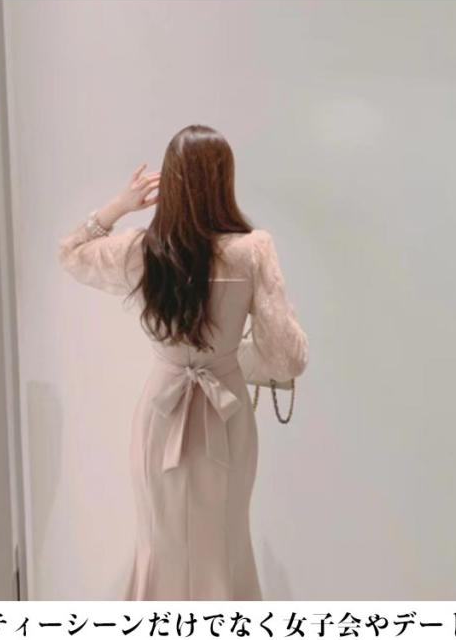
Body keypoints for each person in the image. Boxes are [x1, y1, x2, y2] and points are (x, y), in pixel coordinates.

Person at [58, 124, 309, 600]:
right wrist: (232, 358)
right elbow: (287, 355)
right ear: (224, 180)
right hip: (227, 412)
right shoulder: (253, 250)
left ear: (170, 180)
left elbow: (70, 253)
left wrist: (120, 206)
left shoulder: (142, 250)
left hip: (160, 413)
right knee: (226, 545)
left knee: (160, 546)